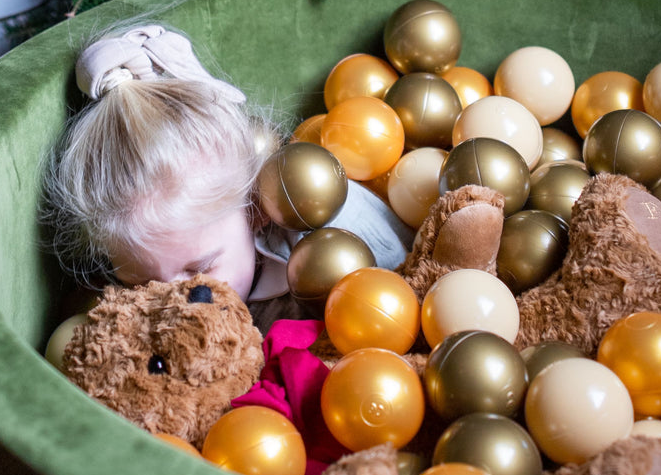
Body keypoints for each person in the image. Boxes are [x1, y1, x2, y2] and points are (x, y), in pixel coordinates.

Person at [45, 24, 414, 325]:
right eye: (141, 284)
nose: (178, 306)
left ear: (254, 210)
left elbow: (404, 290)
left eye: (201, 269)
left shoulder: (330, 247)